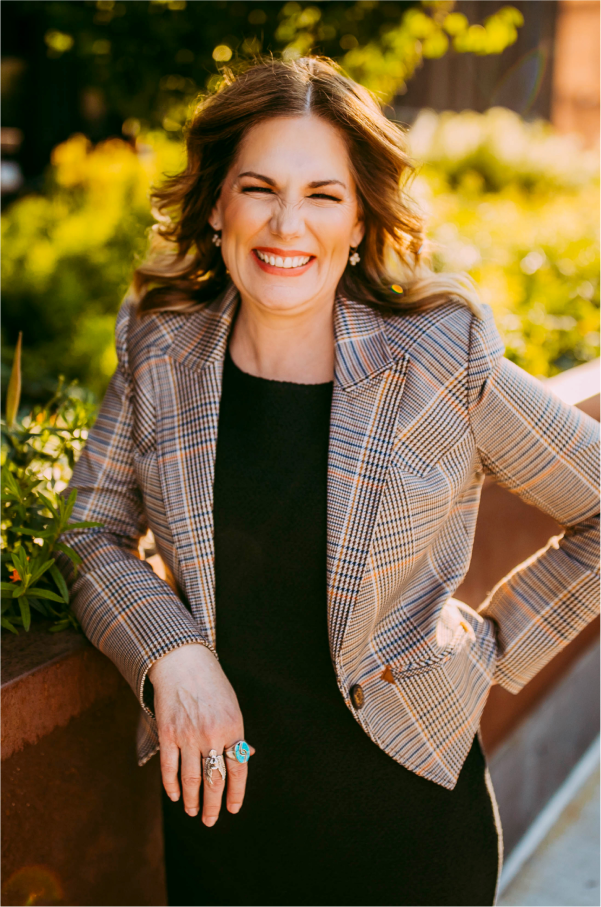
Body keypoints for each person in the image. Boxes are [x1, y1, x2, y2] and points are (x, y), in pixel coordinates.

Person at [58, 57, 601, 907]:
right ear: (216, 206)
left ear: (358, 221)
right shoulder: (158, 346)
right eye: (258, 188)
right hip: (220, 823)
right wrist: (172, 647)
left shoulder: (438, 356)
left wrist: (492, 653)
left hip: (408, 832)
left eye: (322, 195)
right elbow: (89, 533)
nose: (286, 224)